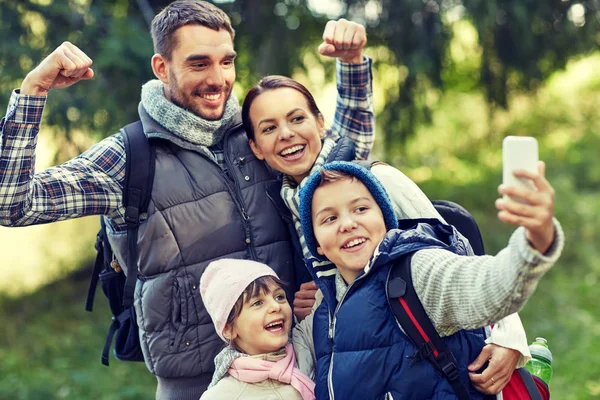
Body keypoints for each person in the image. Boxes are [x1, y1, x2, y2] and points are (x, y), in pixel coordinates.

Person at [0, 1, 374, 398]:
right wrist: (33, 91)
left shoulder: (258, 134)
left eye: (226, 62)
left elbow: (343, 159)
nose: (218, 79)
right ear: (162, 68)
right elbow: (13, 204)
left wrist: (351, 63)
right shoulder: (129, 157)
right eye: (199, 64)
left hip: (297, 363)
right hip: (194, 385)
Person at [241, 76, 534, 396]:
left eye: (297, 118)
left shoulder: (376, 180)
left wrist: (509, 339)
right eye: (269, 128)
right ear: (255, 146)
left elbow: (459, 255)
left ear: (320, 123)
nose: (286, 134)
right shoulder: (288, 210)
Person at [293, 161, 564, 399]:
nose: (347, 224)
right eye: (329, 218)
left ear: (386, 219)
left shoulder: (415, 270)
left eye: (361, 208)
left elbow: (488, 286)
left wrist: (535, 243)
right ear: (317, 244)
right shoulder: (323, 310)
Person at [199, 258, 315, 400]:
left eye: (279, 297)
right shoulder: (221, 395)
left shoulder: (304, 345)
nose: (276, 306)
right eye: (257, 303)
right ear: (228, 329)